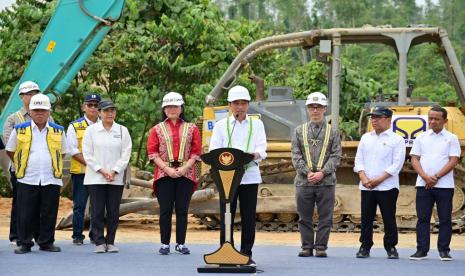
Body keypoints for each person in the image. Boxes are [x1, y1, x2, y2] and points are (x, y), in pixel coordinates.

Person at [209, 85, 267, 266]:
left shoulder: (257, 124)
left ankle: (246, 253)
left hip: (249, 177)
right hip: (227, 179)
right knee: (227, 215)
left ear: (248, 105)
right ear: (229, 105)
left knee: (249, 217)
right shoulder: (221, 126)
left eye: (243, 103)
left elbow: (262, 149)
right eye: (236, 103)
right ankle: (226, 252)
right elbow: (213, 151)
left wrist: (253, 155)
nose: (239, 107)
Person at [5, 93, 67, 254]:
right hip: (27, 177)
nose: (39, 113)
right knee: (26, 212)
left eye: (43, 110)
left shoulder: (58, 131)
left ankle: (46, 242)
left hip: (51, 177)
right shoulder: (20, 130)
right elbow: (10, 150)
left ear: (49, 112)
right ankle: (24, 243)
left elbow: (63, 152)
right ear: (30, 111)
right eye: (36, 110)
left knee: (49, 211)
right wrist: (23, 165)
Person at [147, 92, 201, 255]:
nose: (172, 109)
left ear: (181, 108)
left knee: (183, 210)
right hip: (164, 173)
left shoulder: (192, 128)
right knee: (165, 209)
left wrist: (185, 168)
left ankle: (180, 243)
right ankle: (165, 243)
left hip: (186, 173)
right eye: (168, 106)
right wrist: (167, 169)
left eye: (175, 106)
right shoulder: (156, 129)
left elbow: (196, 151)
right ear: (164, 109)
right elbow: (152, 152)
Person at [291, 92, 341, 258]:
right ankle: (306, 247)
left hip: (326, 182)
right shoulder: (298, 131)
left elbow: (336, 156)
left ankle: (321, 247)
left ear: (324, 109)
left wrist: (322, 173)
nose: (315, 110)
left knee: (325, 217)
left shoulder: (333, 132)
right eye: (312, 107)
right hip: (303, 182)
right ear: (307, 109)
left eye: (318, 107)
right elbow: (295, 155)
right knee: (304, 217)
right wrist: (308, 173)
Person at [409, 105, 460, 261]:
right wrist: (425, 177)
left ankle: (444, 250)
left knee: (445, 218)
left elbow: (454, 160)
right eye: (430, 118)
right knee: (423, 218)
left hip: (444, 185)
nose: (433, 121)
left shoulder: (451, 138)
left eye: (437, 119)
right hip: (423, 184)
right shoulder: (421, 137)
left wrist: (436, 177)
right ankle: (421, 250)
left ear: (444, 120)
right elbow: (414, 159)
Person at [354, 106, 406, 259]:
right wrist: (363, 178)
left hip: (387, 186)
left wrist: (378, 180)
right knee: (366, 218)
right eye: (372, 117)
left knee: (389, 218)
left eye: (377, 117)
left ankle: (390, 247)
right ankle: (365, 246)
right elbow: (359, 160)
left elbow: (397, 165)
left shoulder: (397, 140)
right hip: (366, 186)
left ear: (388, 119)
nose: (374, 120)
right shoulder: (365, 138)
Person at [82, 100, 132, 253]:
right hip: (96, 177)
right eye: (106, 110)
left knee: (113, 211)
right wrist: (102, 171)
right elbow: (87, 154)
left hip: (115, 179)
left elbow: (126, 153)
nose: (109, 113)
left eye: (112, 110)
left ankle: (110, 241)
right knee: (97, 211)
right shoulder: (91, 131)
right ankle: (98, 241)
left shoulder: (122, 130)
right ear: (99, 112)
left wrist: (115, 171)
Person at [3, 81, 45, 246]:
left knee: (38, 203)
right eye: (29, 94)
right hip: (19, 169)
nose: (32, 96)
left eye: (35, 93)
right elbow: (9, 144)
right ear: (21, 97)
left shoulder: (47, 116)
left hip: (40, 169)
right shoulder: (13, 119)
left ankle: (36, 234)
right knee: (20, 202)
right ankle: (16, 235)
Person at [66, 92, 101, 245]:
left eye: (96, 105)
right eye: (90, 105)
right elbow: (72, 150)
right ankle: (77, 236)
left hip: (100, 173)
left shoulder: (105, 125)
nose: (93, 108)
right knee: (79, 205)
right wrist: (92, 164)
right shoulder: (75, 126)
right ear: (84, 107)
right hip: (81, 172)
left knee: (97, 206)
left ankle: (96, 235)